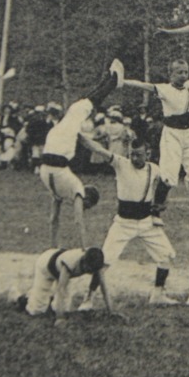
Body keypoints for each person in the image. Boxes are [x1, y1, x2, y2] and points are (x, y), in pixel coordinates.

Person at [80, 133, 178, 308]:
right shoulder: (121, 163)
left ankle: (157, 294)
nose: (134, 158)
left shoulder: (154, 169)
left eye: (138, 154)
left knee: (166, 256)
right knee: (104, 260)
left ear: (148, 154)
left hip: (147, 222)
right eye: (132, 154)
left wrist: (162, 204)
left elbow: (165, 187)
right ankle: (88, 298)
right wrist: (77, 133)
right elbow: (97, 148)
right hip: (123, 223)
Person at [37, 61, 122, 248]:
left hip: (55, 154)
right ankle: (109, 80)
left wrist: (82, 248)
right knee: (80, 108)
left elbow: (72, 221)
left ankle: (111, 81)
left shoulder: (75, 187)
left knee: (80, 108)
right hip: (49, 164)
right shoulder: (62, 190)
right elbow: (58, 219)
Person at [122, 59, 189, 210]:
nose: (183, 75)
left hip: (188, 133)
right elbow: (144, 85)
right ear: (171, 74)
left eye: (186, 72)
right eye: (179, 72)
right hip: (172, 133)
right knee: (169, 171)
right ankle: (157, 204)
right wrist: (124, 81)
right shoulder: (165, 89)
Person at [24, 247, 108, 319]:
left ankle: (49, 304)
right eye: (89, 269)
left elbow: (104, 288)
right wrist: (60, 318)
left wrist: (110, 311)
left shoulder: (97, 263)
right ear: (84, 261)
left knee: (65, 309)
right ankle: (24, 299)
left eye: (93, 270)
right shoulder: (70, 262)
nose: (90, 272)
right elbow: (61, 289)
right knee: (36, 311)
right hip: (46, 266)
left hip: (62, 270)